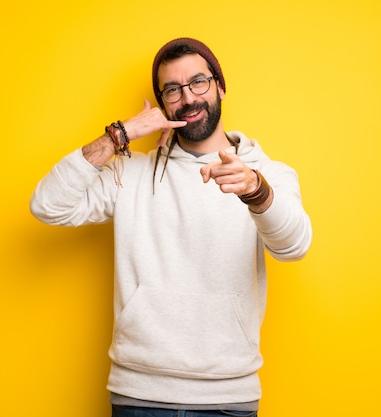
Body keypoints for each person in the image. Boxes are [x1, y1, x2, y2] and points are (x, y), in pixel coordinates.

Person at [30, 37, 312, 416]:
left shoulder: (268, 174)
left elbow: (294, 247)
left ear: (220, 86)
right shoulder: (131, 173)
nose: (189, 98)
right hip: (138, 396)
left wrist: (255, 190)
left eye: (198, 82)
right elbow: (47, 205)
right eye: (173, 90)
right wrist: (121, 134)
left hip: (228, 399)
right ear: (163, 104)